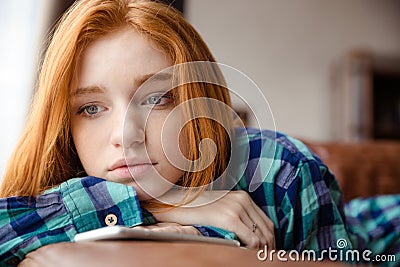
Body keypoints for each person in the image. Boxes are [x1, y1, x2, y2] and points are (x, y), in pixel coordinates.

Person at [3, 0, 397, 266]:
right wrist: (160, 206)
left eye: (157, 98)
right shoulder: (61, 176)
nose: (126, 135)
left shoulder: (280, 169)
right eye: (91, 108)